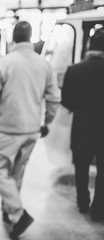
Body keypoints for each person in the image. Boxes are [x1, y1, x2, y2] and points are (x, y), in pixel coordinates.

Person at [0, 21, 61, 238]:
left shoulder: (4, 63)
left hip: (8, 129)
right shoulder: (44, 65)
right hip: (32, 130)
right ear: (30, 37)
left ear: (13, 39)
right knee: (17, 172)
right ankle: (9, 212)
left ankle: (17, 212)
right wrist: (46, 122)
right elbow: (54, 99)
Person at [61, 27, 104, 222]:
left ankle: (82, 202)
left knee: (81, 166)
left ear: (89, 46)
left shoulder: (74, 70)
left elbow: (67, 101)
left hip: (81, 127)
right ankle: (99, 210)